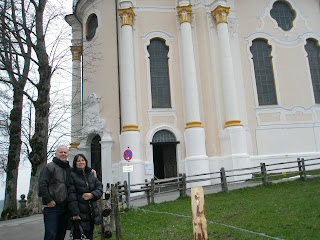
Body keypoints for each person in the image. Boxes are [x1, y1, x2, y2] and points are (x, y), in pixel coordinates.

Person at [38, 145, 71, 240]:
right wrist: (49, 200)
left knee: (61, 234)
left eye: (65, 152)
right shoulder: (49, 167)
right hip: (52, 207)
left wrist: (91, 171)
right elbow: (42, 185)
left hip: (64, 207)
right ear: (56, 154)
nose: (63, 154)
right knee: (51, 234)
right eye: (61, 152)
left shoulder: (69, 168)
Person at [68, 154, 103, 240]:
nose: (81, 162)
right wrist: (75, 213)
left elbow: (99, 188)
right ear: (75, 163)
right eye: (78, 161)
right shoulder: (72, 175)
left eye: (82, 160)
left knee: (89, 236)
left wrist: (92, 194)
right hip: (80, 213)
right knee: (79, 236)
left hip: (90, 213)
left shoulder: (90, 174)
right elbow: (71, 195)